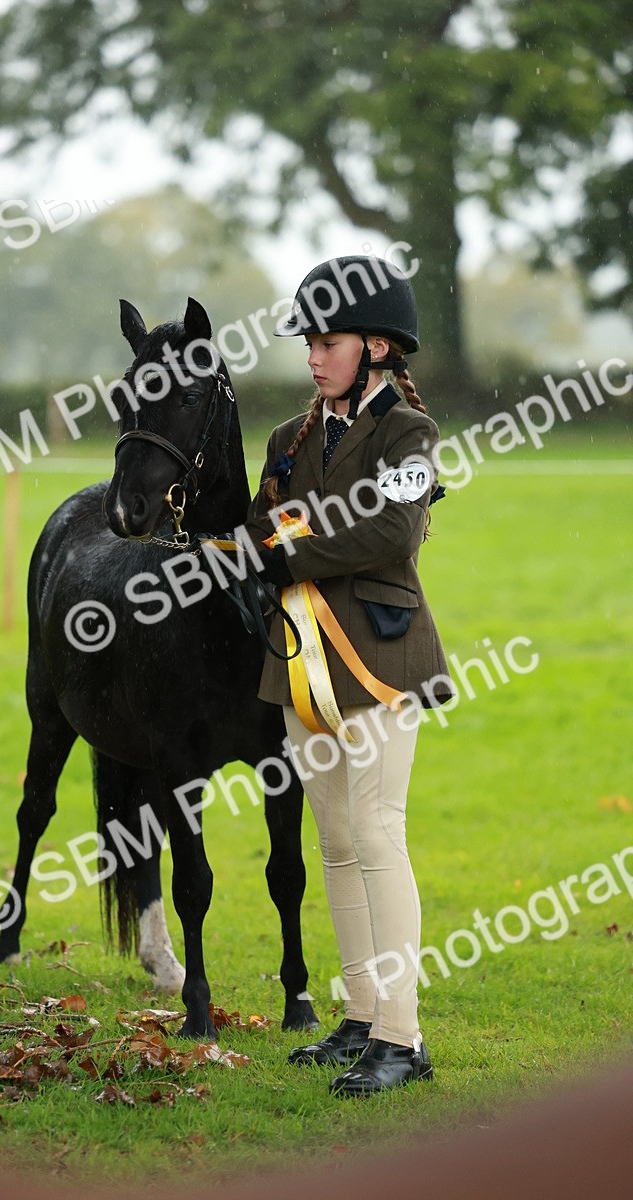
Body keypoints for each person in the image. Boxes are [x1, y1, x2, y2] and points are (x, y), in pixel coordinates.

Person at [244, 255, 452, 1097]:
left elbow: (392, 534)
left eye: (327, 343)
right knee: (333, 843)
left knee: (376, 833)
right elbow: (257, 527)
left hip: (380, 654)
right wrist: (273, 539)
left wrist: (292, 546)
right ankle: (362, 1017)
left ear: (377, 347)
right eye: (309, 343)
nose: (312, 357)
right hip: (301, 664)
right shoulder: (285, 440)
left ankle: (403, 1038)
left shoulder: (409, 433)